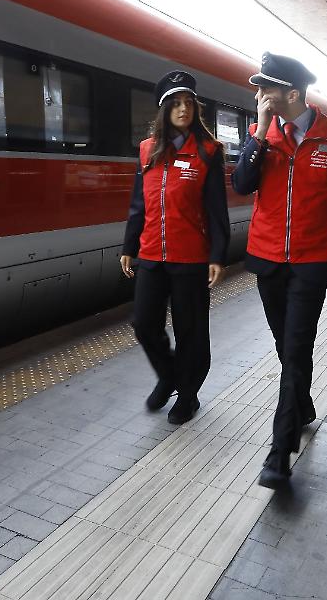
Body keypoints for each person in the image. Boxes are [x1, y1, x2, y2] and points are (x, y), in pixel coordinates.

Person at [232, 52, 327, 489]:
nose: (259, 95)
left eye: (266, 88)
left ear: (292, 93)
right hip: (267, 259)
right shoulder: (260, 135)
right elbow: (241, 184)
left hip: (312, 262)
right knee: (285, 345)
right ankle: (303, 404)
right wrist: (258, 134)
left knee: (296, 349)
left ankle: (279, 452)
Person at [121, 71, 229, 425]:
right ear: (164, 108)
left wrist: (216, 254)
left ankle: (188, 394)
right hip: (151, 253)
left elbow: (216, 208)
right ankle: (169, 375)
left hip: (191, 257)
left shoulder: (208, 152)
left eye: (189, 103)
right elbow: (139, 203)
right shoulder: (147, 150)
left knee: (191, 332)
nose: (184, 109)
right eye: (176, 103)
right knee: (144, 323)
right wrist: (129, 245)